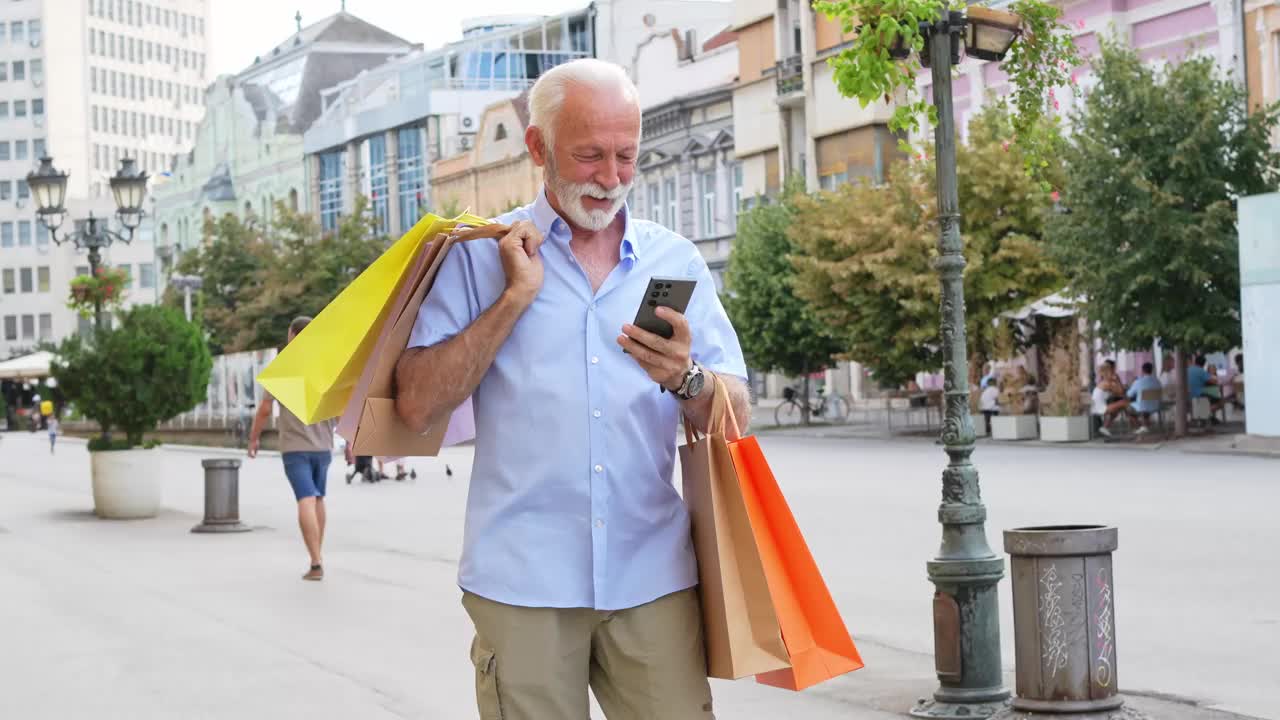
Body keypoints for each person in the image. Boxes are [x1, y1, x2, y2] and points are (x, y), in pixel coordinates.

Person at [394, 59, 748, 720]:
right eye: (589, 156)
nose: (611, 178)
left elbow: (736, 418)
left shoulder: (675, 262)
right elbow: (415, 404)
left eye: (626, 156)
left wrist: (687, 377)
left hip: (652, 578)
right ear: (538, 148)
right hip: (521, 580)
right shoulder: (478, 256)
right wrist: (512, 302)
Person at [248, 316, 352, 581]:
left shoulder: (282, 368)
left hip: (295, 448)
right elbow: (339, 411)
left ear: (294, 336)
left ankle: (316, 562)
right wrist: (350, 442)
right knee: (318, 498)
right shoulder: (326, 368)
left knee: (305, 498)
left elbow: (264, 410)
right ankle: (318, 554)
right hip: (323, 447)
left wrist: (253, 438)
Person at [1096, 360, 1132, 436]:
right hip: (1102, 406)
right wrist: (1117, 380)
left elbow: (1118, 391)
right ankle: (1138, 425)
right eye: (1113, 368)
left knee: (1120, 407)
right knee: (1125, 403)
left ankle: (1105, 427)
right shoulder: (1107, 382)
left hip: (1105, 403)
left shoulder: (1105, 380)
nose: (1114, 370)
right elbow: (1121, 391)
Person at [1125, 362, 1161, 435]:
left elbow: (1128, 395)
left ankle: (1141, 427)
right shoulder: (1157, 381)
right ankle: (1145, 426)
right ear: (1152, 370)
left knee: (1127, 408)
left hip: (1142, 407)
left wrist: (1132, 382)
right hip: (1155, 406)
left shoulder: (1138, 382)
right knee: (1143, 405)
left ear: (1143, 370)